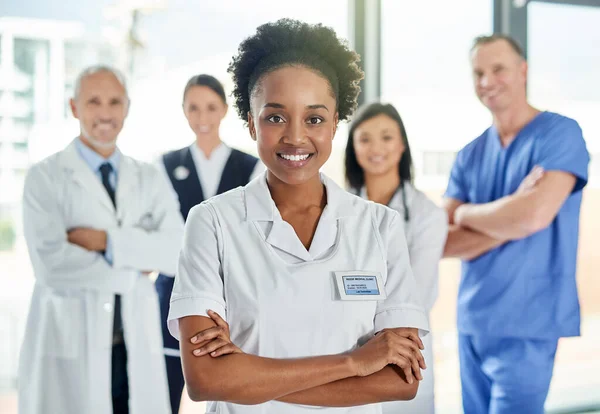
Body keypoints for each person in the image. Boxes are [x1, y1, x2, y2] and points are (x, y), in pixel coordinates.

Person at [167, 18, 430, 414]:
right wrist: (353, 363)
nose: (294, 136)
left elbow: (400, 381)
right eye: (274, 117)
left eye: (314, 118)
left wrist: (246, 376)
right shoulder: (212, 222)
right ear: (251, 122)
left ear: (336, 122)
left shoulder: (379, 226)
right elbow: (206, 380)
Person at [19, 65, 183, 414]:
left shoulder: (148, 177)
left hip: (134, 345)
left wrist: (105, 242)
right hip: (71, 344)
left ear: (127, 107)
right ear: (75, 107)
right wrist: (137, 261)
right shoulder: (45, 177)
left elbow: (174, 251)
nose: (105, 113)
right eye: (94, 101)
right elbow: (51, 265)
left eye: (114, 102)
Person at [443, 34, 589, 414]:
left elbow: (535, 215)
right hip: (473, 321)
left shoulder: (560, 134)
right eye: (478, 72)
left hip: (528, 320)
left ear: (522, 71)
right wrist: (512, 216)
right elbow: (441, 242)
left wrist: (465, 214)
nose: (487, 81)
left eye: (498, 69)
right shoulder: (468, 155)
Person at [156, 74, 262, 414]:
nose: (202, 117)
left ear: (225, 110)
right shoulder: (165, 165)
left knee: (226, 387)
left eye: (211, 107)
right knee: (168, 388)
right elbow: (163, 236)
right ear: (184, 112)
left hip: (230, 296)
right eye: (194, 108)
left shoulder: (250, 166)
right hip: (172, 292)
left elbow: (250, 235)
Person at [345, 102, 447, 413]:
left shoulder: (427, 215)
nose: (376, 148)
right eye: (365, 139)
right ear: (353, 148)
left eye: (386, 137)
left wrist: (350, 290)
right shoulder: (337, 209)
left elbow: (414, 297)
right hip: (345, 350)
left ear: (402, 144)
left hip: (402, 354)